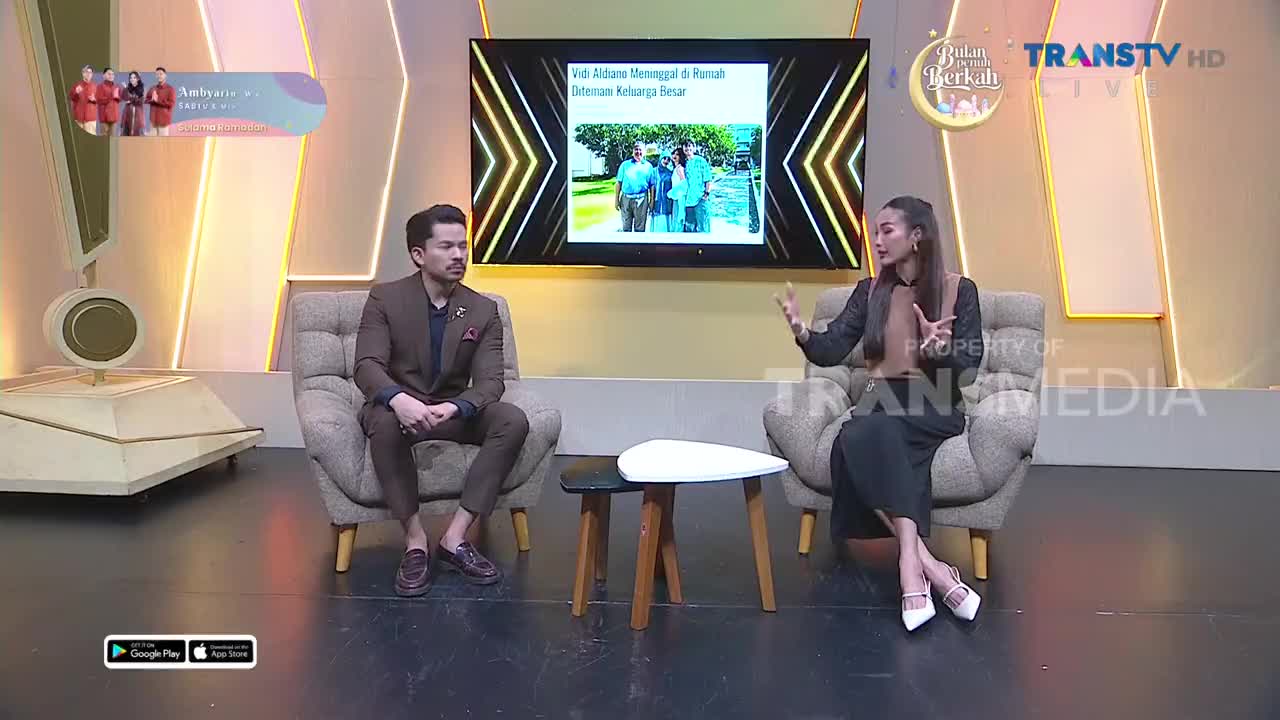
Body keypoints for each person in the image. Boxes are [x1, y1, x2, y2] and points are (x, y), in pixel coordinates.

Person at [775, 195, 984, 632]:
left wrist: (940, 350)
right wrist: (803, 334)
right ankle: (927, 567)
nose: (878, 240)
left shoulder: (959, 290)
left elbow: (966, 372)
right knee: (863, 431)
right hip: (880, 403)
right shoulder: (870, 291)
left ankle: (914, 568)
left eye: (888, 230)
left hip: (936, 401)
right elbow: (832, 348)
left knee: (860, 433)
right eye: (876, 232)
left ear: (917, 235)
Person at [354, 204, 530, 597]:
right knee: (381, 421)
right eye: (447, 247)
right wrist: (398, 399)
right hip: (399, 411)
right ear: (419, 254)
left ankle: (455, 538)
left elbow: (490, 382)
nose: (459, 256)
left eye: (463, 247)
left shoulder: (483, 309)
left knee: (512, 420)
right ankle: (416, 542)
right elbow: (366, 366)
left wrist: (457, 407)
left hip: (452, 408)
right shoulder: (385, 300)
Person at [613, 141, 656, 232]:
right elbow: (618, 183)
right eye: (636, 149)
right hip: (626, 199)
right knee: (626, 227)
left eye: (640, 150)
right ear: (633, 151)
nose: (638, 152)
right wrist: (616, 200)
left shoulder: (649, 166)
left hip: (642, 200)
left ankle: (639, 246)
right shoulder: (625, 165)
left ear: (644, 152)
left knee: (640, 228)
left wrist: (651, 201)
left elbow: (652, 186)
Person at [680, 138, 714, 233]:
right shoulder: (683, 164)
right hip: (688, 202)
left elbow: (708, 179)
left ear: (694, 148)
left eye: (690, 146)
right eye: (685, 146)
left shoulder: (701, 161)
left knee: (703, 228)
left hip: (700, 200)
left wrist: (706, 194)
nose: (687, 148)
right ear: (683, 149)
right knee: (690, 229)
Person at [146, 67, 175, 136]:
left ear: (165, 75)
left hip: (163, 122)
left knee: (162, 143)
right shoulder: (153, 88)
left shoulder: (170, 89)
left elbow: (171, 103)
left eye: (161, 74)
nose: (159, 76)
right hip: (153, 120)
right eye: (157, 74)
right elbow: (146, 99)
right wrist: (151, 100)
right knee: (152, 144)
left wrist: (158, 100)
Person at [68, 65, 97, 135]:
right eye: (86, 72)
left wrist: (94, 99)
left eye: (90, 72)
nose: (88, 74)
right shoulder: (77, 85)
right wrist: (76, 92)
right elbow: (71, 98)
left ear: (92, 74)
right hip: (78, 119)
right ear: (83, 73)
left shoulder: (96, 87)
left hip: (91, 120)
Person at [650, 153, 674, 232]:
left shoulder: (670, 173)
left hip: (666, 204)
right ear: (660, 159)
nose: (666, 161)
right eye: (664, 158)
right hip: (656, 204)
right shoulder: (653, 171)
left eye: (668, 159)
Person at [95, 68, 120, 136]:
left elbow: (119, 99)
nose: (111, 76)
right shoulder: (100, 86)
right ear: (104, 75)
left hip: (114, 116)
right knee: (104, 138)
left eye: (112, 74)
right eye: (109, 74)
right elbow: (99, 100)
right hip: (104, 117)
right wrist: (111, 96)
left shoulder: (116, 86)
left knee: (112, 138)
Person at [668, 147, 688, 232]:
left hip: (680, 198)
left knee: (678, 221)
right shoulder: (675, 168)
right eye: (674, 154)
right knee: (675, 220)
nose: (674, 156)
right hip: (676, 198)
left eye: (677, 154)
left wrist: (672, 192)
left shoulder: (680, 168)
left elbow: (684, 184)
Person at [121, 71, 146, 136]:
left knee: (138, 135)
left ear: (138, 79)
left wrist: (131, 100)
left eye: (134, 77)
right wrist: (125, 88)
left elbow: (141, 101)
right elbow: (125, 98)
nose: (132, 79)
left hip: (138, 115)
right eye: (131, 77)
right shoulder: (128, 88)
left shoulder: (142, 89)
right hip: (128, 115)